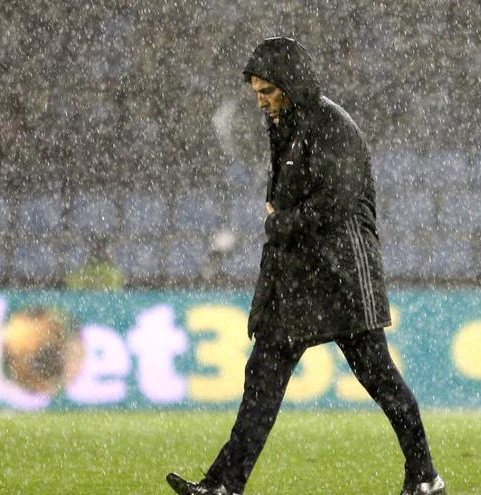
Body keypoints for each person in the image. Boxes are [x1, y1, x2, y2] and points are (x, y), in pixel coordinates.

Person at [166, 37, 445, 495]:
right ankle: (223, 486)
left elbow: (337, 205)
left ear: (290, 86)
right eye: (256, 92)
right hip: (299, 280)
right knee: (262, 380)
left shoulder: (333, 126)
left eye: (267, 92)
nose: (260, 102)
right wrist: (268, 287)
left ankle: (426, 477)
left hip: (342, 277)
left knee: (380, 378)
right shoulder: (287, 125)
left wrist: (280, 224)